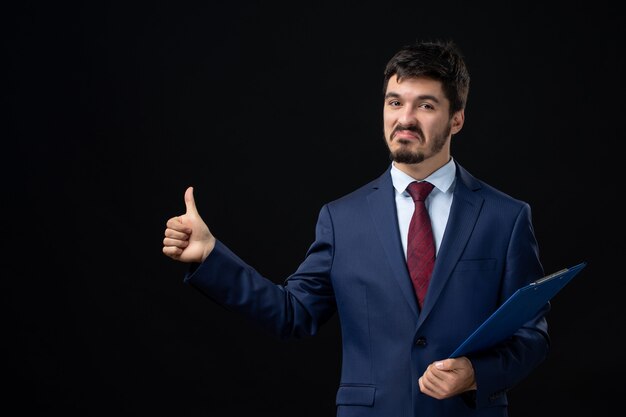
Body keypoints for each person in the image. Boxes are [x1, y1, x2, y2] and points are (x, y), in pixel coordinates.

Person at [162, 39, 549, 417]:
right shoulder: (341, 219)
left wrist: (475, 375)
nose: (405, 118)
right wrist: (212, 255)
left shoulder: (506, 217)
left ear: (457, 118)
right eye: (395, 102)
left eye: (426, 105)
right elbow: (292, 314)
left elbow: (531, 335)